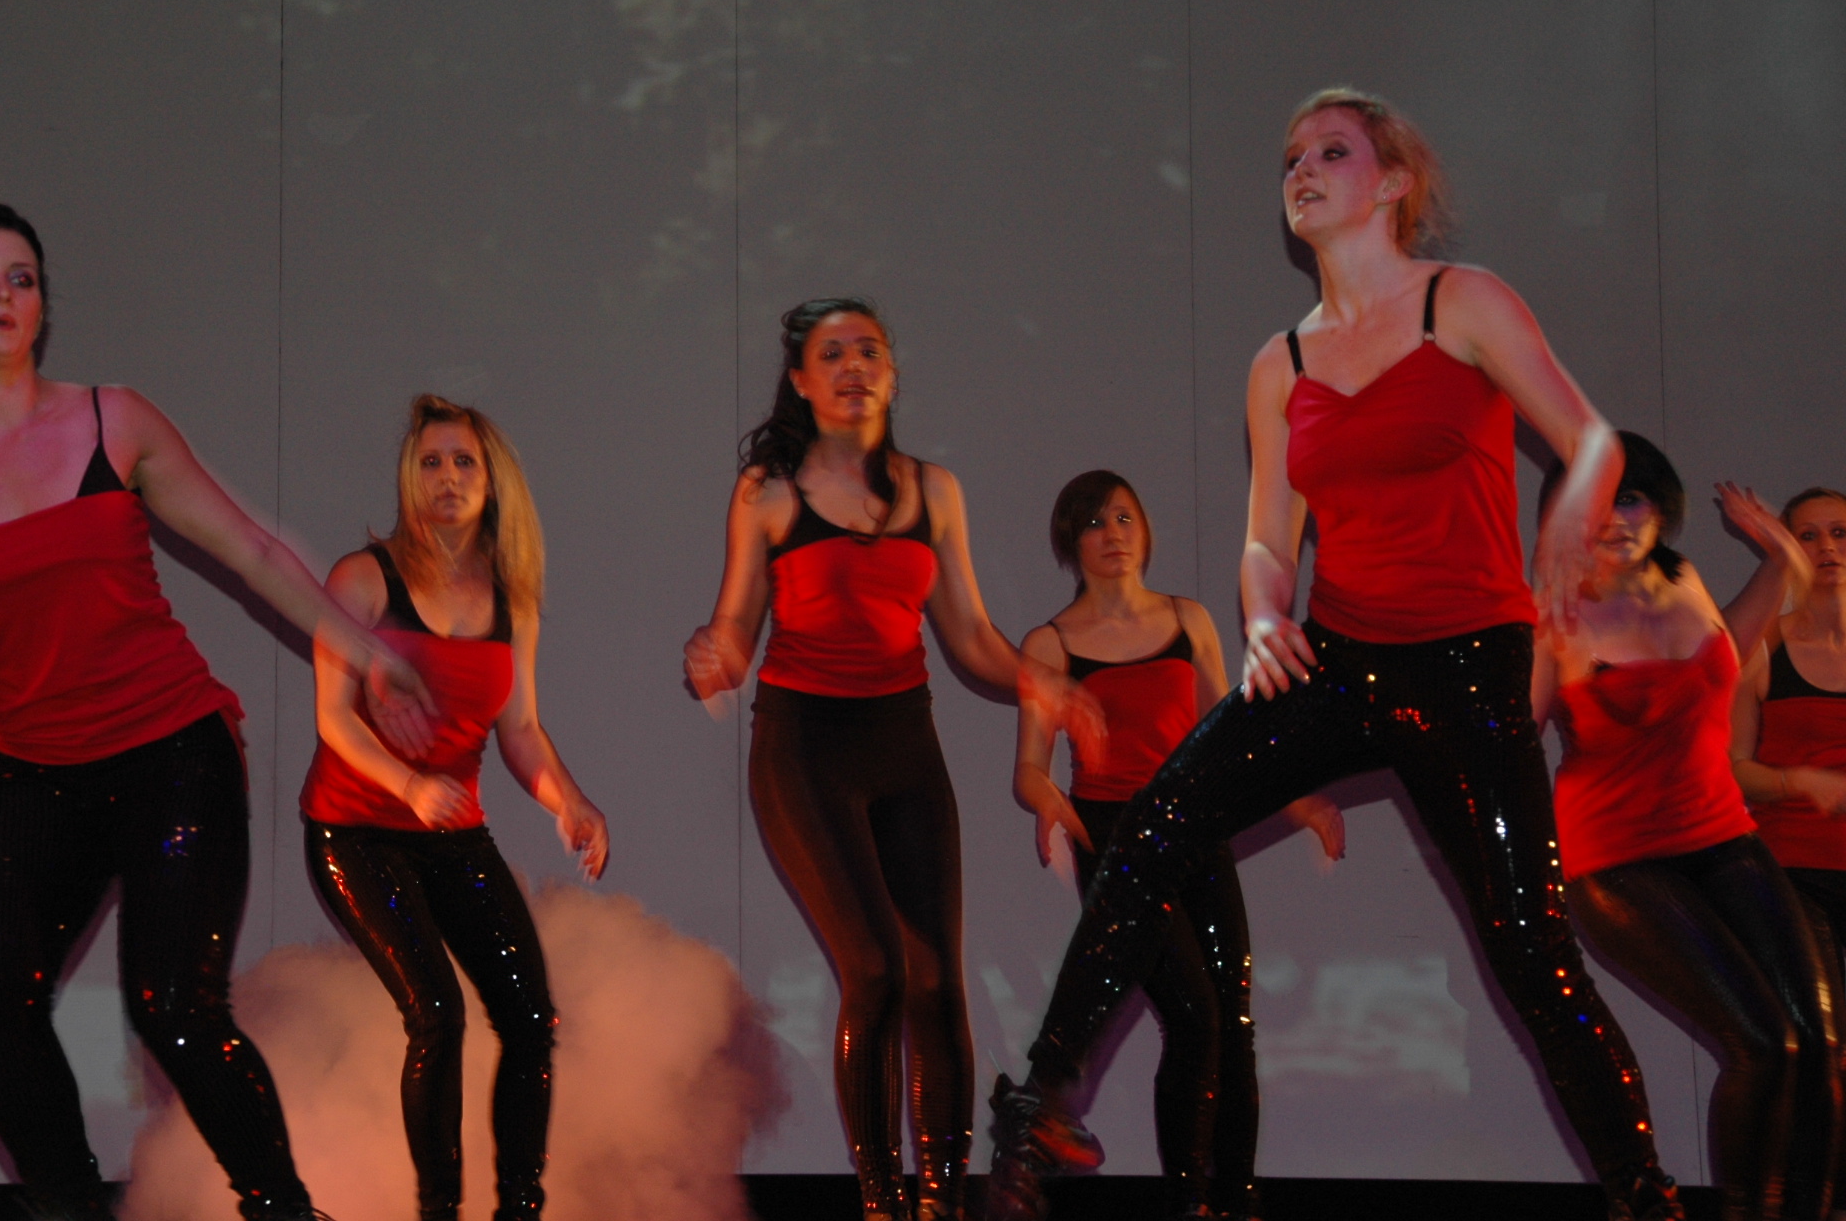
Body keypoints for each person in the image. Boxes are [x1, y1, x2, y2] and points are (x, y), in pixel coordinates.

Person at [983, 89, 1682, 1221]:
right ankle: (1041, 1099)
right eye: (1290, 159)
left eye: (1331, 152)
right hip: (1341, 661)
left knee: (1528, 948)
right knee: (1152, 826)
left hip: (1467, 669)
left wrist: (1568, 513)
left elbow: (1591, 440)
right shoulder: (1282, 362)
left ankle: (1644, 1196)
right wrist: (1266, 618)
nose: (1301, 170)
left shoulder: (1461, 303)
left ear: (1392, 182)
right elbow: (1270, 538)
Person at [0, 203, 426, 1221]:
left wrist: (364, 648)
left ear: (42, 305)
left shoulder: (113, 423)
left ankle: (283, 1211)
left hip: (172, 755)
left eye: (22, 277)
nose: (2, 295)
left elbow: (250, 548)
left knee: (173, 1007)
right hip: (35, 774)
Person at [684, 297, 1094, 1221]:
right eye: (832, 353)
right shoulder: (769, 494)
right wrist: (712, 653)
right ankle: (881, 1198)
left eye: (869, 350)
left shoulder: (933, 491)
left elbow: (972, 637)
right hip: (803, 749)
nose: (854, 366)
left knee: (937, 979)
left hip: (904, 743)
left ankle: (940, 1197)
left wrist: (1047, 685)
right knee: (873, 971)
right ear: (802, 382)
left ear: (892, 375)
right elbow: (736, 629)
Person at [301, 394, 607, 1221]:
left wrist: (570, 801)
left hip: (453, 835)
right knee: (437, 1014)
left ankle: (519, 1208)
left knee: (529, 1019)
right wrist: (408, 785)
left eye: (463, 462)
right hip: (356, 831)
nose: (446, 477)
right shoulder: (363, 580)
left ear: (491, 480)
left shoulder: (514, 598)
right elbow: (333, 720)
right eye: (430, 462)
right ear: (410, 478)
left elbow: (522, 730)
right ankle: (440, 1212)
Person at [1013, 470, 1343, 1221]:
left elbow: (1228, 739)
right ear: (1071, 543)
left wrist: (1300, 800)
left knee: (1232, 1020)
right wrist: (1050, 801)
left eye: (1124, 517)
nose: (1113, 535)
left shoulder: (1188, 620)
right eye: (1094, 523)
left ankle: (1237, 1200)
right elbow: (1028, 768)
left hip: (1193, 833)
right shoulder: (1050, 644)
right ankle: (1190, 1200)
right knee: (1194, 1016)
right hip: (1117, 846)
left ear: (1145, 530)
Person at [1535, 436, 1833, 1221]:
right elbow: (1508, 744)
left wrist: (1780, 555)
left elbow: (1728, 652)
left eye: (1632, 499)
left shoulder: (1684, 579)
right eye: (1596, 504)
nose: (1617, 519)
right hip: (1619, 856)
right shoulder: (1553, 616)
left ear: (1661, 509)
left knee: (1818, 1046)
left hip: (1722, 834)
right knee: (1762, 1044)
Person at [1733, 486, 1846, 1206]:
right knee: (1816, 1050)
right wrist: (1796, 781)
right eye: (1808, 535)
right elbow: (1730, 769)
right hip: (1796, 870)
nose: (1827, 548)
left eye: (1840, 532)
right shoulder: (1763, 645)